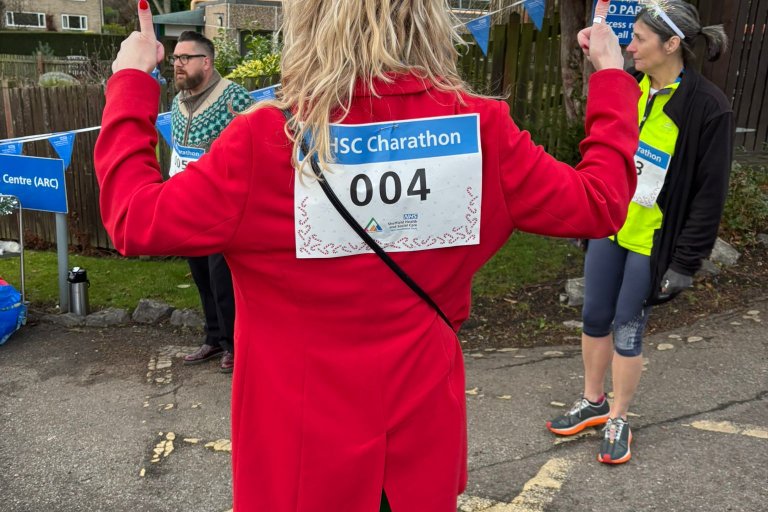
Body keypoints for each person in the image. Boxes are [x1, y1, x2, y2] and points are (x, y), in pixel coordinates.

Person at [96, 1, 638, 510]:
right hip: (421, 438)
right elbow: (602, 201)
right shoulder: (478, 131)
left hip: (299, 454)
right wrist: (611, 78)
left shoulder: (266, 140)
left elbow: (133, 218)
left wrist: (131, 84)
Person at [547, 0, 733, 465]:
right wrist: (587, 210)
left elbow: (710, 195)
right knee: (594, 316)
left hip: (653, 241)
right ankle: (594, 402)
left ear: (673, 45)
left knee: (627, 327)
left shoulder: (708, 107)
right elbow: (603, 152)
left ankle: (619, 417)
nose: (631, 47)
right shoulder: (629, 89)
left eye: (641, 40)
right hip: (611, 228)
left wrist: (686, 262)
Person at [168, 30, 254, 373]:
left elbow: (250, 147)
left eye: (184, 58)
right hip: (188, 204)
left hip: (223, 207)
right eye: (175, 58)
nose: (177, 64)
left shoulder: (234, 98)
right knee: (202, 277)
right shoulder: (177, 101)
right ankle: (213, 338)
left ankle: (234, 344)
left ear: (206, 61)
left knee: (224, 280)